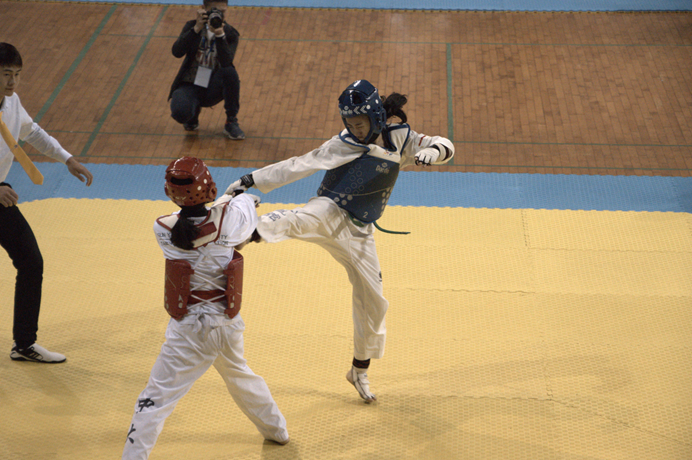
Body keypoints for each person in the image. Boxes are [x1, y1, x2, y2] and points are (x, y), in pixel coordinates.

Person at [227, 79, 455, 403]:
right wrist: (250, 180)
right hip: (331, 210)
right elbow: (299, 164)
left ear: (376, 116)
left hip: (361, 233)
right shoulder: (342, 144)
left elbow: (444, 145)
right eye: (350, 123)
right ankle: (242, 231)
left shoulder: (400, 138)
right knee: (301, 219)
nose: (355, 129)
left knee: (374, 302)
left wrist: (432, 153)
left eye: (360, 123)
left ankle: (359, 370)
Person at [121, 157, 288, 460]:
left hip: (188, 331)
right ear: (208, 187)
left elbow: (198, 222)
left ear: (170, 192)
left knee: (155, 400)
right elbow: (241, 208)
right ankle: (278, 430)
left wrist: (225, 200)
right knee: (241, 377)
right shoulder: (231, 219)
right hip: (226, 324)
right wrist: (238, 195)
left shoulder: (163, 227)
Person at [0, 42, 94, 364]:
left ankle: (24, 344)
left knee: (31, 262)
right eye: (6, 74)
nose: (12, 81)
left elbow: (33, 133)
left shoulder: (12, 103)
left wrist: (67, 158)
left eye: (17, 74)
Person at [168, 0, 245, 140]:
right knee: (180, 112)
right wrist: (196, 29)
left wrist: (220, 35)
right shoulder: (192, 26)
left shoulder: (230, 34)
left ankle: (231, 121)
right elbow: (176, 52)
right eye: (215, 10)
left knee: (230, 72)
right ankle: (191, 115)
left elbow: (226, 62)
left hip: (213, 86)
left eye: (223, 11)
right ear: (203, 9)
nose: (219, 15)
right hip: (190, 83)